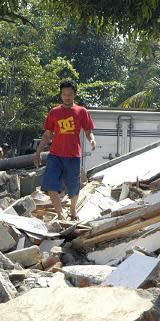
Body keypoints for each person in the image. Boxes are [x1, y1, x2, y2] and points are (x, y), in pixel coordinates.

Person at [34, 79, 96, 220]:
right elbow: (47, 134)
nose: (67, 97)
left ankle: (73, 211)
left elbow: (88, 131)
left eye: (69, 94)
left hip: (73, 155)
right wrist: (38, 153)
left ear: (74, 95)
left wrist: (92, 140)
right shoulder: (54, 112)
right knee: (50, 184)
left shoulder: (82, 112)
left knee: (74, 186)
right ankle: (60, 213)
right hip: (55, 155)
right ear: (61, 95)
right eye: (64, 94)